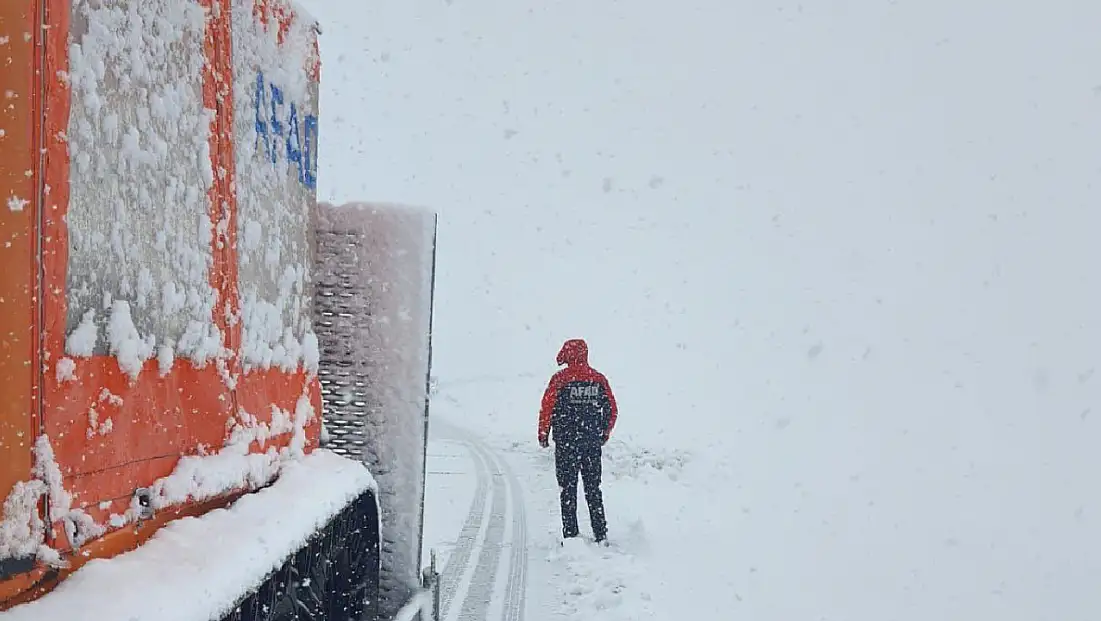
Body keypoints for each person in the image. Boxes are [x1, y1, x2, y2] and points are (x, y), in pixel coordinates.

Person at [538, 338, 618, 543]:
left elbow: (547, 408)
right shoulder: (598, 379)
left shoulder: (559, 379)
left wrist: (543, 433)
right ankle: (600, 533)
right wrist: (603, 433)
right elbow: (612, 410)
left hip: (566, 445)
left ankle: (571, 534)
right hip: (591, 444)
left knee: (568, 488)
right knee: (593, 488)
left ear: (567, 354)